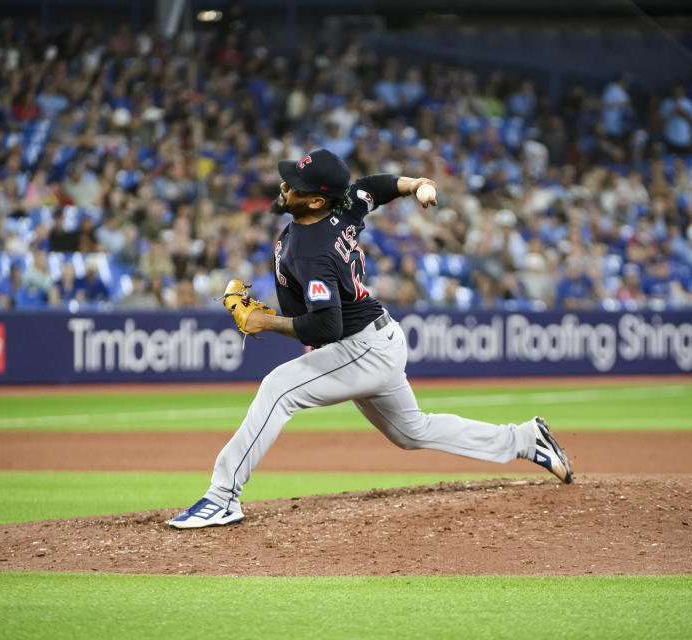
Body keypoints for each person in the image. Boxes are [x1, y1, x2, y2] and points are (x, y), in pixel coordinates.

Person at [167, 149, 573, 529]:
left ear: (314, 202)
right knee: (412, 431)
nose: (284, 186)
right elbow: (373, 187)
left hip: (362, 348)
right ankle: (524, 439)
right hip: (376, 338)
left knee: (278, 388)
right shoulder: (341, 206)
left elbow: (326, 327)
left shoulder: (313, 252)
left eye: (294, 185)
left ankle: (222, 496)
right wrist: (416, 184)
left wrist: (265, 322)